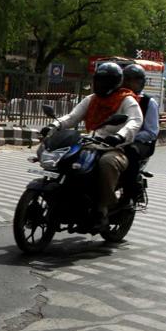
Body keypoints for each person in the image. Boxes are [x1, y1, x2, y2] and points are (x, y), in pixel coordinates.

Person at [48, 61, 142, 228]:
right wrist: (54, 125)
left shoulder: (126, 100)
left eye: (104, 81)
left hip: (115, 148)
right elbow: (72, 117)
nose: (99, 84)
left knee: (106, 163)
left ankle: (103, 207)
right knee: (66, 159)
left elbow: (135, 121)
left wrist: (119, 136)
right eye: (97, 80)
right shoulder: (91, 99)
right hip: (90, 142)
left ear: (114, 83)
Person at [121, 64, 158, 186]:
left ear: (142, 82)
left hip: (139, 142)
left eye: (136, 80)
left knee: (130, 152)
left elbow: (151, 132)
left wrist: (130, 136)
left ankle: (128, 193)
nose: (131, 83)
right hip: (117, 138)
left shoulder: (148, 102)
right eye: (128, 80)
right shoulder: (118, 98)